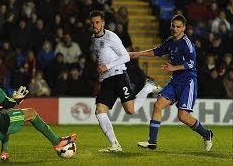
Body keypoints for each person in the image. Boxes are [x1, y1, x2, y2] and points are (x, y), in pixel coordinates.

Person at [0, 54, 77, 160]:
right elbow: (8, 103)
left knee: (6, 113)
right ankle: (57, 142)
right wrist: (16, 99)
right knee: (31, 113)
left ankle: (4, 152)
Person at [129, 14, 214, 151]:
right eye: (173, 26)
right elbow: (158, 51)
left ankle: (206, 134)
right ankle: (152, 142)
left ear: (184, 28)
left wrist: (173, 67)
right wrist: (139, 53)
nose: (174, 29)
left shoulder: (187, 44)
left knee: (183, 116)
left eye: (178, 27)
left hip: (188, 82)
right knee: (158, 105)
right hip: (175, 81)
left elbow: (191, 63)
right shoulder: (170, 41)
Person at [89, 10, 161, 153]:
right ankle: (115, 144)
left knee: (131, 110)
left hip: (119, 76)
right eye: (92, 23)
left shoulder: (111, 36)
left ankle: (147, 87)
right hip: (106, 80)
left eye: (97, 22)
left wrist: (106, 66)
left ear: (103, 23)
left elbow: (125, 57)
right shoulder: (93, 38)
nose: (95, 25)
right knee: (99, 111)